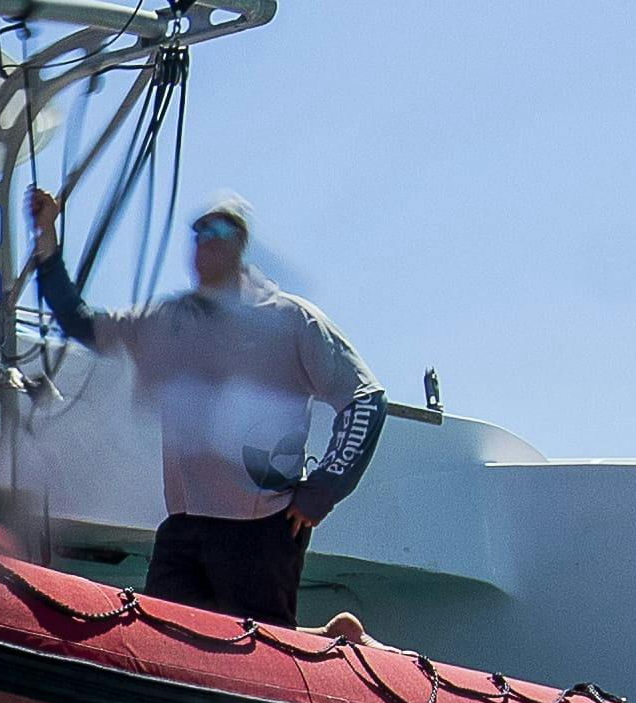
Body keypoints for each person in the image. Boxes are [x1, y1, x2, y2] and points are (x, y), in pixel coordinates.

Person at [26, 183, 382, 624]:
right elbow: (80, 323)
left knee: (256, 655)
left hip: (262, 531)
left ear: (240, 244)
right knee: (162, 640)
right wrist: (46, 238)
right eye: (198, 232)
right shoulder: (165, 320)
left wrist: (325, 487)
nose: (206, 241)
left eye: (219, 231)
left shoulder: (291, 319)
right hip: (184, 526)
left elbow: (364, 398)